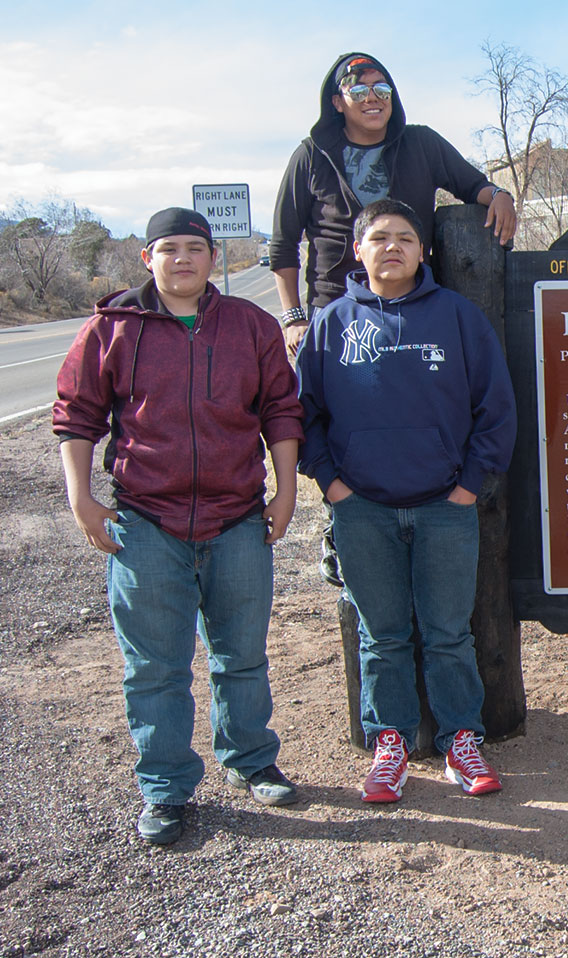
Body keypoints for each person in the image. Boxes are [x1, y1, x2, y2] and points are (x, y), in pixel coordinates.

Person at [54, 208, 304, 845]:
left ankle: (251, 760)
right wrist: (81, 498)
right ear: (148, 258)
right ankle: (165, 787)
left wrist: (285, 492)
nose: (183, 259)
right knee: (155, 667)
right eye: (169, 249)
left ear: (214, 258)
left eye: (196, 248)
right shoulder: (111, 328)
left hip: (237, 518)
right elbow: (77, 415)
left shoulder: (249, 325)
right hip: (146, 522)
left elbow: (280, 409)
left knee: (241, 655)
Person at [297, 199, 517, 803]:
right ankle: (389, 744)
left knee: (449, 634)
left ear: (423, 251)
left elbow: (495, 409)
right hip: (362, 508)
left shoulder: (457, 317)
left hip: (445, 506)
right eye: (379, 237)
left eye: (405, 237)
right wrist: (332, 485)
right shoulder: (333, 323)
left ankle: (461, 741)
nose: (392, 246)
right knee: (382, 635)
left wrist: (468, 486)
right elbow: (302, 414)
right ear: (358, 250)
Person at [272, 51, 516, 587]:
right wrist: (293, 317)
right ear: (338, 101)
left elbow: (471, 183)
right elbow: (284, 243)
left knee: (415, 412)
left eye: (382, 89)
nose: (373, 99)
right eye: (359, 90)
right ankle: (342, 528)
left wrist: (498, 195)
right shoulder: (312, 155)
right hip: (336, 312)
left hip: (414, 306)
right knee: (336, 421)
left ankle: (435, 515)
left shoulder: (421, 143)